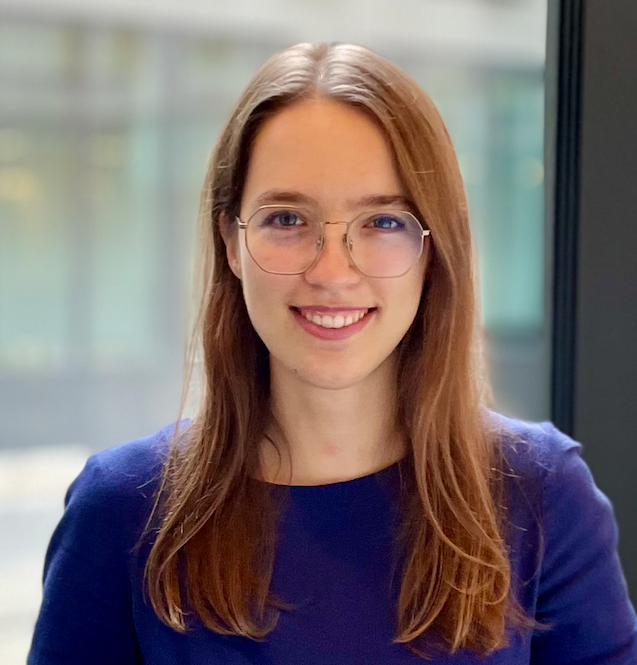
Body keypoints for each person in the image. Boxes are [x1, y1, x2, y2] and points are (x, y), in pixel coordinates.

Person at [28, 43, 637, 664]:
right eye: (288, 219)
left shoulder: (542, 498)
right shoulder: (122, 512)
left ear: (433, 251)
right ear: (231, 242)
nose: (332, 272)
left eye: (383, 223)